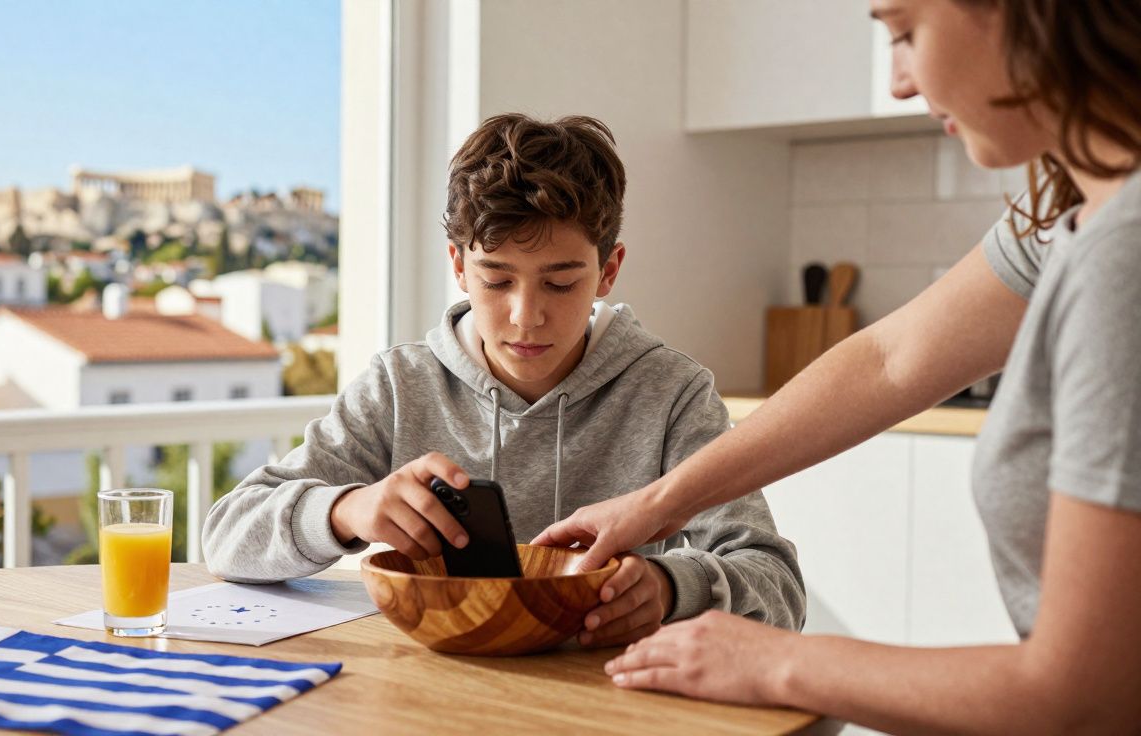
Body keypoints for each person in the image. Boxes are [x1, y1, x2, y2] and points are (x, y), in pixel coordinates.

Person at [533, 0, 1141, 731]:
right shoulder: (1069, 221)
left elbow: (1088, 696)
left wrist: (771, 660)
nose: (899, 84)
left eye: (906, 33)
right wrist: (656, 504)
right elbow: (890, 359)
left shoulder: (1125, 256)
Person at [202, 113, 806, 646]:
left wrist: (673, 587)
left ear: (608, 271)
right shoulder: (399, 385)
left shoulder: (672, 393)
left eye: (561, 282)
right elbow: (227, 535)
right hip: (424, 699)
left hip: (602, 707)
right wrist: (347, 510)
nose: (525, 315)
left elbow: (779, 588)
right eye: (497, 279)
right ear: (459, 266)